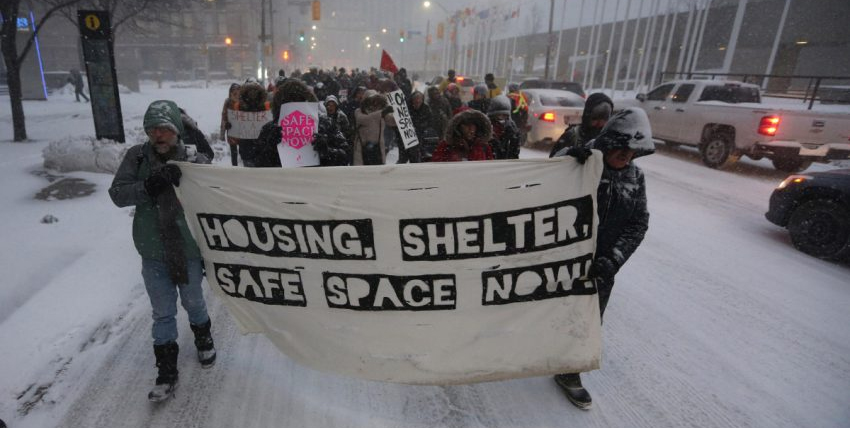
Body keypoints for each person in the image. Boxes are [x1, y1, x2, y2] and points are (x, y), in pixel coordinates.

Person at [108, 100, 216, 403]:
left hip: (188, 247)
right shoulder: (137, 157)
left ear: (176, 131)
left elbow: (216, 189)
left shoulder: (192, 158)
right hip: (153, 248)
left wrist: (196, 174)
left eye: (165, 129)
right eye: (153, 129)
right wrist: (149, 186)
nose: (159, 135)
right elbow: (117, 194)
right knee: (163, 311)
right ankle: (167, 369)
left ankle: (203, 338)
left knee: (193, 300)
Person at [552, 107, 654, 409]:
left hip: (600, 269)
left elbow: (638, 223)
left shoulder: (636, 177)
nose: (627, 157)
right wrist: (568, 159)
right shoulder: (580, 162)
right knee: (547, 313)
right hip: (561, 262)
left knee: (587, 322)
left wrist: (613, 259)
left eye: (633, 152)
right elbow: (540, 190)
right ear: (609, 143)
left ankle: (569, 373)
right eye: (622, 150)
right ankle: (534, 356)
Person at [252, 79, 350, 167]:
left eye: (299, 100)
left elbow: (345, 157)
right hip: (283, 184)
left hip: (315, 184)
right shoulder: (270, 129)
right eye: (290, 101)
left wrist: (327, 151)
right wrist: (271, 147)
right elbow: (256, 164)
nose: (295, 105)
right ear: (280, 105)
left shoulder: (324, 124)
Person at [549, 92, 613, 157]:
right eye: (595, 118)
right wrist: (569, 153)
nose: (599, 123)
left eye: (604, 119)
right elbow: (553, 161)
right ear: (587, 116)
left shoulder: (611, 138)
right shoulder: (573, 135)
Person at [234, 82, 271, 167]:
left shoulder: (239, 106)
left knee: (250, 175)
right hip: (260, 147)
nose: (252, 94)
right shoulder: (265, 105)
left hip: (248, 147)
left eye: (254, 92)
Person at [353, 91, 389, 165]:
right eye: (372, 100)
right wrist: (381, 112)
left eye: (376, 100)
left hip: (377, 149)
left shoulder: (381, 113)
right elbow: (363, 119)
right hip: (363, 148)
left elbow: (391, 120)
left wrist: (396, 113)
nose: (374, 102)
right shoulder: (358, 111)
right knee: (363, 173)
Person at [487, 96, 521, 160]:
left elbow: (514, 154)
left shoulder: (512, 130)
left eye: (505, 115)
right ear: (493, 115)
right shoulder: (486, 129)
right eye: (499, 115)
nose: (502, 118)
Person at [220, 83, 241, 166]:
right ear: (230, 93)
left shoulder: (243, 102)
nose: (236, 95)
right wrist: (223, 130)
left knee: (243, 151)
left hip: (243, 132)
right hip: (232, 132)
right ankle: (234, 168)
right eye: (234, 93)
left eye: (238, 93)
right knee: (234, 152)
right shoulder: (228, 102)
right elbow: (224, 116)